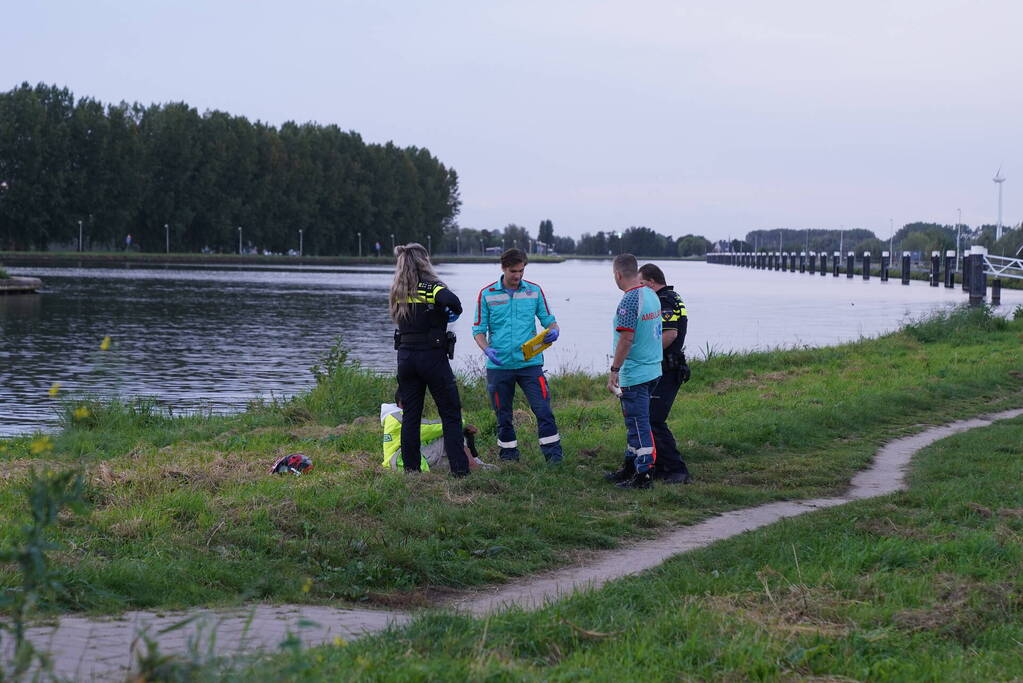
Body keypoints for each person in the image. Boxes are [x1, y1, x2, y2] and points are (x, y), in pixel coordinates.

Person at [472, 248, 563, 463]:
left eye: (521, 271)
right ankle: (509, 457)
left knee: (543, 410)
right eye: (514, 271)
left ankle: (554, 458)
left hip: (530, 364)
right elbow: (478, 330)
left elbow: (549, 320)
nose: (518, 276)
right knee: (503, 415)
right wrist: (486, 349)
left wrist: (554, 331)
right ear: (503, 268)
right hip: (499, 367)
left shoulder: (534, 291)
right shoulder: (487, 294)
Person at [389, 242, 469, 476]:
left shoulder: (398, 291)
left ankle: (411, 470)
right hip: (431, 357)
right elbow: (453, 302)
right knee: (450, 413)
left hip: (405, 358)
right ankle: (460, 471)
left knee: (411, 415)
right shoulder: (429, 287)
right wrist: (445, 311)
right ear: (424, 262)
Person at [604, 254, 663, 489]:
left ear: (618, 275)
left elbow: (626, 339)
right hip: (653, 369)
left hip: (635, 373)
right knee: (634, 422)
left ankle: (644, 475)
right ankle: (630, 465)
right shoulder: (650, 294)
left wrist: (614, 371)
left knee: (639, 423)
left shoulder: (629, 300)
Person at [639, 263, 692, 484]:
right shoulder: (672, 296)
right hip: (668, 367)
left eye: (642, 284)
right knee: (651, 419)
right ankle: (661, 466)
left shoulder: (664, 300)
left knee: (654, 420)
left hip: (668, 369)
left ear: (652, 282)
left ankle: (677, 470)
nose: (641, 290)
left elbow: (669, 334)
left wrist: (646, 355)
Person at [380, 391, 492, 471]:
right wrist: (457, 422)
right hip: (400, 461)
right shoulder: (399, 418)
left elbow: (426, 435)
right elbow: (428, 427)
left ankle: (474, 462)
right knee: (453, 433)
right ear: (403, 403)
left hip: (406, 458)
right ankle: (474, 465)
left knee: (451, 434)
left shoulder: (395, 416)